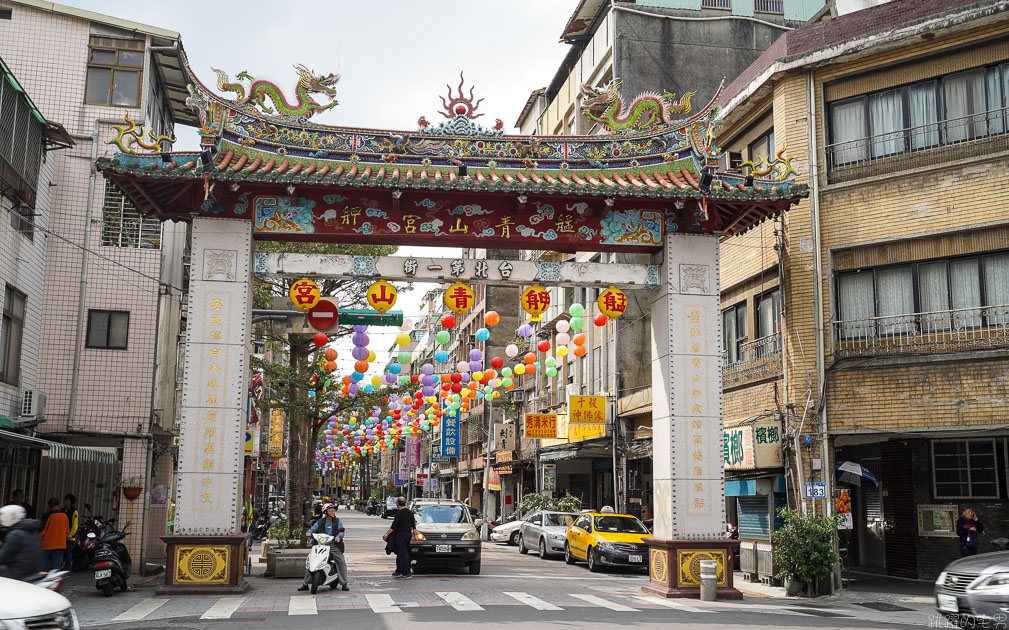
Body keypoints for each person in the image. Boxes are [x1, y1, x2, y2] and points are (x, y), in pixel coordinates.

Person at [298, 503, 349, 591]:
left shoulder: (337, 521)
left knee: (341, 561)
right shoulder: (320, 522)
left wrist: (338, 537)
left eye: (334, 510)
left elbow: (341, 531)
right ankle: (305, 583)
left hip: (333, 546)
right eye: (331, 510)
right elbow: (313, 529)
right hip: (320, 545)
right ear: (325, 512)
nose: (333, 512)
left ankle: (344, 583)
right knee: (310, 560)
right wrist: (309, 532)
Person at [0, 505, 42, 580]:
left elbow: (3, 556)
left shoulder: (16, 534)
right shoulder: (30, 529)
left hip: (20, 571)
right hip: (33, 568)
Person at [383, 496, 415, 579]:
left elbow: (394, 526)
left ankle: (406, 572)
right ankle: (399, 571)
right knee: (401, 552)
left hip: (401, 535)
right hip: (408, 534)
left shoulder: (399, 513)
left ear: (397, 504)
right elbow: (413, 525)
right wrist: (414, 535)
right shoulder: (409, 512)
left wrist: (386, 534)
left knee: (402, 553)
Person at [38, 498, 69, 571]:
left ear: (49, 506)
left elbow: (42, 529)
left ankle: (39, 577)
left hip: (47, 543)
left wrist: (39, 539)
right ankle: (54, 579)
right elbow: (67, 531)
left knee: (42, 564)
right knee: (56, 565)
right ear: (58, 505)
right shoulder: (64, 516)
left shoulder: (47, 515)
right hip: (60, 544)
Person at [62, 494, 78, 571]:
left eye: (68, 500)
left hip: (70, 537)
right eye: (65, 500)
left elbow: (75, 524)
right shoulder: (62, 510)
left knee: (68, 555)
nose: (66, 501)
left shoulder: (74, 511)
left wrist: (70, 535)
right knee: (62, 554)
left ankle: (67, 569)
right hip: (62, 536)